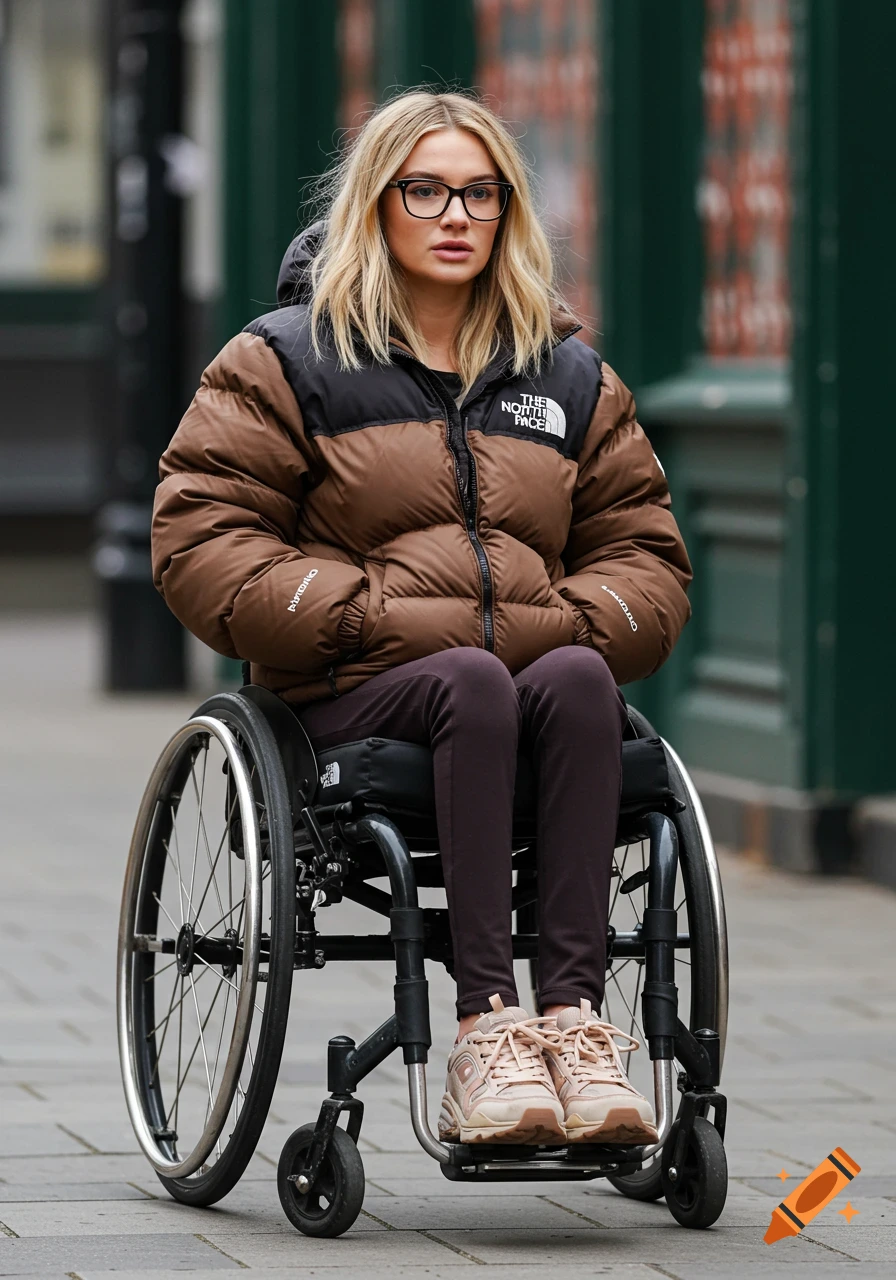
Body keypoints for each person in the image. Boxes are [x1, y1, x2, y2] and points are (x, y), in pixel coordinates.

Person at [151, 90, 692, 1148]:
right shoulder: (285, 361)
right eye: (426, 191)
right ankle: (487, 1029)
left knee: (578, 679)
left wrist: (567, 622)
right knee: (471, 678)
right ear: (375, 203)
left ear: (508, 212)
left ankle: (574, 1024)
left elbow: (645, 555)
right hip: (350, 691)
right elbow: (203, 538)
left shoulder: (570, 376)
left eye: (481, 194)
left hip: (525, 688)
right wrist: (365, 617)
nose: (455, 216)